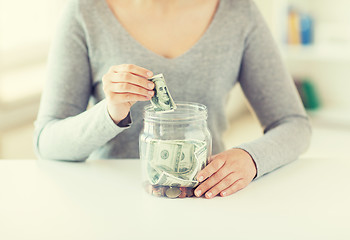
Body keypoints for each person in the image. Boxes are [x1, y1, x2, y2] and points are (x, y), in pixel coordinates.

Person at [34, 0, 311, 199]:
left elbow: (294, 124)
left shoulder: (240, 12)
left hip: (207, 194)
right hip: (109, 201)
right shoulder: (84, 12)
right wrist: (110, 112)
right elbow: (47, 142)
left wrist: (250, 159)